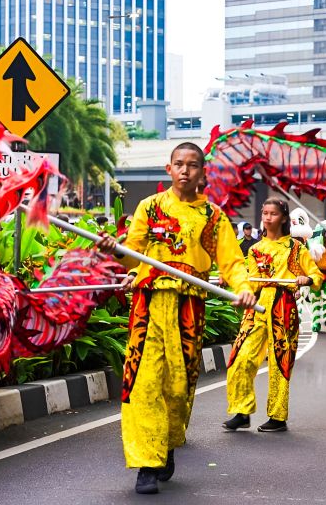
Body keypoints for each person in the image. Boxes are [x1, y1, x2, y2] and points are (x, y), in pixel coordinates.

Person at [96, 142, 257, 495]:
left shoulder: (213, 217)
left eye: (193, 165)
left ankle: (165, 444)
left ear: (202, 172)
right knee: (142, 381)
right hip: (148, 305)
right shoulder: (149, 207)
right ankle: (146, 464)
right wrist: (114, 251)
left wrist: (244, 288)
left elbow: (231, 262)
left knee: (178, 386)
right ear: (168, 169)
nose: (185, 170)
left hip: (188, 308)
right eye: (179, 164)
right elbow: (131, 254)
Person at [223, 198, 323, 433]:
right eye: (264, 213)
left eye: (273, 214)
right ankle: (242, 411)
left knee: (279, 361)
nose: (267, 218)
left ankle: (278, 417)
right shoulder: (255, 248)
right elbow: (251, 280)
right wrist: (239, 285)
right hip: (257, 307)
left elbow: (316, 276)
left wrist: (305, 279)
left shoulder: (296, 248)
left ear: (284, 218)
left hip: (283, 306)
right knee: (240, 357)